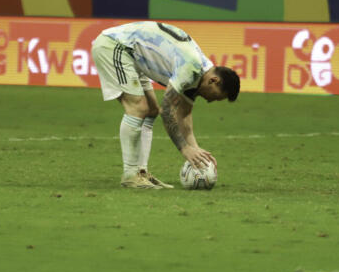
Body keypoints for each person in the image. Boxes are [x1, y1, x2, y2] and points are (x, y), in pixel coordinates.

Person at [91, 21, 241, 189]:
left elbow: (184, 115)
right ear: (214, 81)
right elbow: (168, 109)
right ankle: (130, 174)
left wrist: (197, 152)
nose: (210, 101)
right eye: (216, 97)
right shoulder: (191, 67)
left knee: (151, 111)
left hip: (133, 56)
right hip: (115, 46)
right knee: (138, 108)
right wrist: (185, 149)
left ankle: (141, 173)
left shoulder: (200, 77)